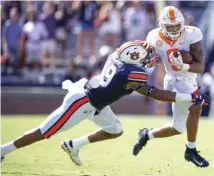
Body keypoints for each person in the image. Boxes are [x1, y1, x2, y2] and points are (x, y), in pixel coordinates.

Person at [1, 41, 209, 166]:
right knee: (44, 132)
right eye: (146, 58)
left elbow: (133, 49)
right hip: (82, 102)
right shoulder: (133, 74)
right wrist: (189, 98)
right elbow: (157, 94)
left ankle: (74, 145)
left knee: (115, 129)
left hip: (94, 100)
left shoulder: (117, 56)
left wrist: (147, 45)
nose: (149, 60)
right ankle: (4, 150)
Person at [133, 6, 209, 168]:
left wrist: (183, 65)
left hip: (190, 78)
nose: (174, 29)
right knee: (196, 105)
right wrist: (150, 58)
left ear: (182, 23)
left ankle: (146, 134)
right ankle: (191, 150)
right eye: (170, 26)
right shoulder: (153, 37)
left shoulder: (192, 33)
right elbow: (150, 58)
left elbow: (200, 66)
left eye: (177, 25)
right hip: (174, 80)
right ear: (162, 25)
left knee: (177, 128)